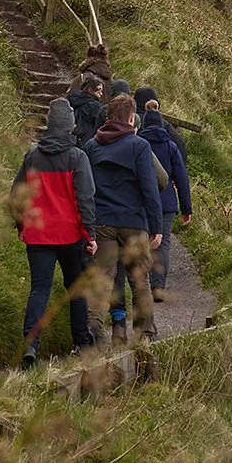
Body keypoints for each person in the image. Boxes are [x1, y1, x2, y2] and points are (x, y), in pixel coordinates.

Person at [10, 98, 98, 367]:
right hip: (70, 236)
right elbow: (85, 198)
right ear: (70, 126)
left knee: (39, 290)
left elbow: (16, 196)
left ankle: (30, 346)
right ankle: (82, 344)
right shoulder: (77, 157)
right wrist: (90, 235)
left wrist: (21, 225)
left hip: (38, 236)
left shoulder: (32, 157)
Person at [85, 94, 164, 342]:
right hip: (133, 222)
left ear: (109, 116)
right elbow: (150, 188)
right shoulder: (139, 146)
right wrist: (156, 227)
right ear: (131, 118)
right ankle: (145, 336)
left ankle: (92, 336)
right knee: (140, 281)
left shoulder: (91, 146)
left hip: (103, 222)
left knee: (102, 281)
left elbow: (86, 188)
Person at [138, 102, 191, 302]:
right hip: (166, 202)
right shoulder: (171, 146)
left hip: (142, 200)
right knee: (163, 244)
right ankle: (158, 286)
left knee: (142, 241)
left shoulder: (138, 143)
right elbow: (182, 178)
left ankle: (140, 284)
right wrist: (186, 208)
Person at [65, 73, 106, 150]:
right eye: (98, 90)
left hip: (71, 138)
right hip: (88, 141)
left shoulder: (71, 99)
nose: (101, 93)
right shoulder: (95, 106)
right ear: (91, 89)